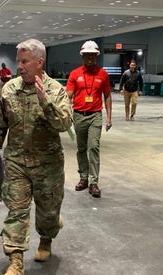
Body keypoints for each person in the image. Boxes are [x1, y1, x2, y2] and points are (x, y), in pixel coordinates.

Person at [0, 38, 72, 275]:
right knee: (17, 212)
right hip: (16, 162)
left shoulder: (55, 90)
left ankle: (47, 237)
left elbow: (64, 124)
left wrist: (45, 101)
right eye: (18, 61)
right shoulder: (9, 89)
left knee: (47, 213)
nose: (20, 66)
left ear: (39, 62)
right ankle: (15, 265)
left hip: (48, 165)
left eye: (25, 61)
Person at [66, 40, 112, 198]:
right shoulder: (74, 74)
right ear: (82, 56)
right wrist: (64, 112)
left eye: (92, 55)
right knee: (81, 149)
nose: (90, 58)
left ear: (96, 56)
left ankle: (93, 182)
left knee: (93, 147)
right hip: (78, 115)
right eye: (87, 55)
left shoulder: (103, 74)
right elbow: (69, 96)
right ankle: (83, 178)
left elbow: (107, 96)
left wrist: (109, 118)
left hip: (95, 116)